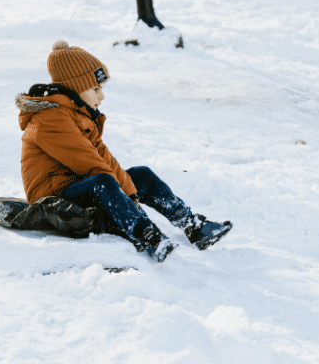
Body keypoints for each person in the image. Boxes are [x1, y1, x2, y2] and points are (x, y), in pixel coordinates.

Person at [15, 40, 232, 262]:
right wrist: (133, 207)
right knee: (103, 180)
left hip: (79, 184)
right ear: (76, 88)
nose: (102, 96)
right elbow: (91, 164)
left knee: (141, 175)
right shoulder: (50, 119)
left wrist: (129, 192)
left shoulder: (78, 115)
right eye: (96, 89)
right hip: (53, 197)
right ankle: (147, 237)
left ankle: (192, 225)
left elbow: (106, 160)